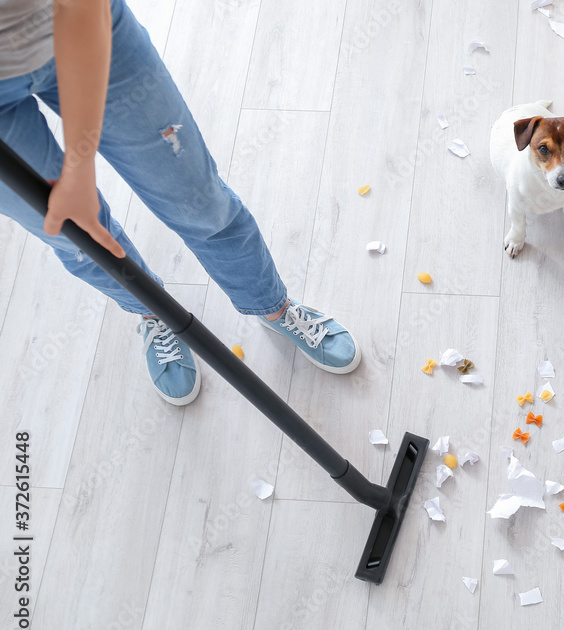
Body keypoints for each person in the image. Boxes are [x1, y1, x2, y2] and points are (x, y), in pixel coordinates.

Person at [0, 0, 359, 406]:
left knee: (200, 202)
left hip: (79, 20)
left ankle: (272, 308)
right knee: (78, 240)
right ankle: (155, 313)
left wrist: (80, 168)